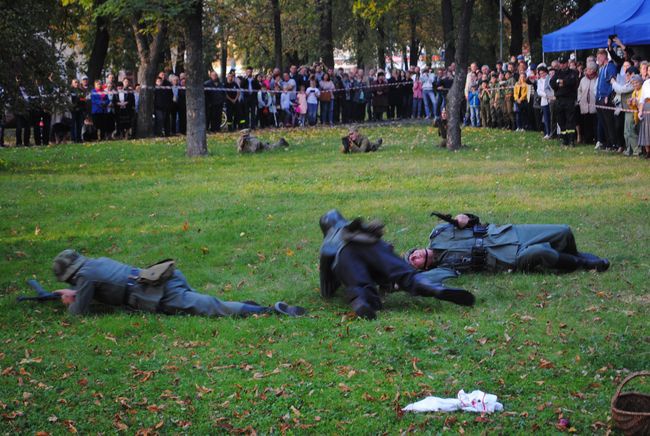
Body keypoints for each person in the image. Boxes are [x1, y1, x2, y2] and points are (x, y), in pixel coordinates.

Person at [51, 249, 305, 317]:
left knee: (211, 307)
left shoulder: (85, 278)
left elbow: (78, 312)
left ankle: (268, 311)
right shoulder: (94, 264)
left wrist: (70, 300)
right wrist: (77, 291)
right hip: (161, 277)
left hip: (155, 293)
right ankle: (245, 307)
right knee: (211, 303)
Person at [318, 210, 474, 320]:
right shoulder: (357, 229)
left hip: (344, 255)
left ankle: (362, 300)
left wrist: (333, 279)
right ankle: (430, 286)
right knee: (403, 272)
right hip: (371, 243)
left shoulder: (328, 242)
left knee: (358, 281)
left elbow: (327, 288)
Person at [406, 212, 610, 277]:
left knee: (563, 231)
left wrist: (465, 216)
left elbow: (474, 220)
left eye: (412, 254)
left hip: (507, 235)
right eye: (413, 262)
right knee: (541, 252)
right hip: (506, 259)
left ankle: (575, 255)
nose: (415, 257)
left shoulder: (438, 232)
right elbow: (427, 282)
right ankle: (584, 264)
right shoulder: (443, 269)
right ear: (421, 268)